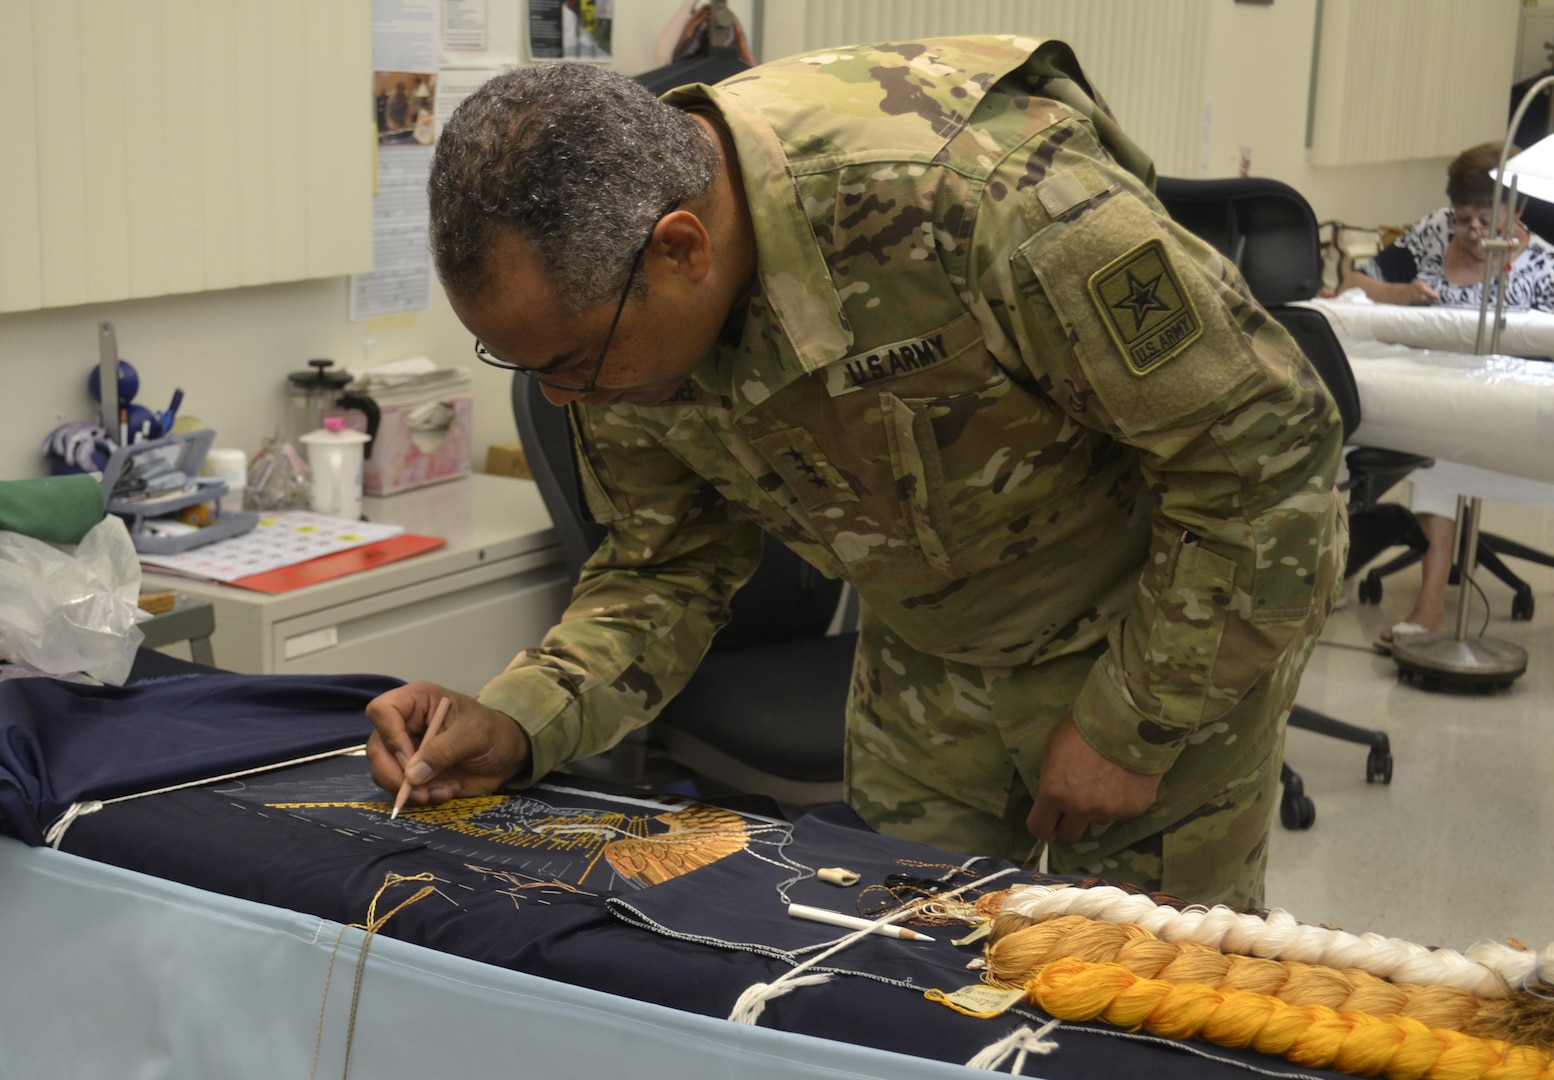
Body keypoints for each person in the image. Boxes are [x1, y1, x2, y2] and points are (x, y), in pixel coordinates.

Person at [367, 37, 1347, 907]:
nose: (566, 399)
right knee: (891, 989)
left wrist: (1135, 726)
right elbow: (663, 568)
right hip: (926, 655)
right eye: (529, 368)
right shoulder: (613, 320)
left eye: (571, 363)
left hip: (1162, 628)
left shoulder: (990, 200)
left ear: (681, 250)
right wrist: (514, 719)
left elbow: (1268, 457)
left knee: (1153, 1012)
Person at [1339, 142, 1554, 644]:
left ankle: (1429, 607)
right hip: (1423, 391)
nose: (1474, 234)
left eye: (1487, 222)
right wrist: (1404, 294)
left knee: (1442, 451)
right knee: (1340, 430)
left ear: (1517, 209)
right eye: (1465, 220)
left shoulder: (1543, 266)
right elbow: (1354, 283)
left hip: (1497, 412)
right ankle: (1329, 574)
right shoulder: (1435, 230)